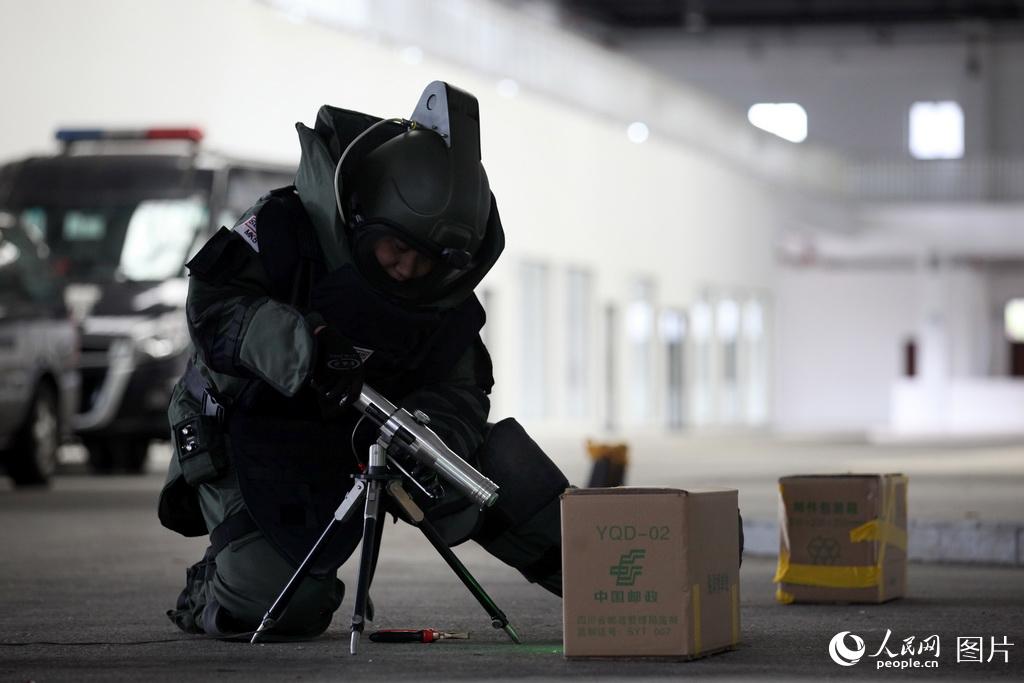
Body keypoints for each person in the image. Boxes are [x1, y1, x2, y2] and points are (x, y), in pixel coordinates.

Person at [157, 82, 568, 638]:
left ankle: (615, 583)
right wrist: (308, 350)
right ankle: (213, 586)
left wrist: (432, 433)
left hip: (370, 436)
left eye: (427, 260)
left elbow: (463, 389)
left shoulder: (444, 295)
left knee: (486, 467)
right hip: (251, 430)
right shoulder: (282, 227)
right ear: (362, 215)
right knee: (283, 605)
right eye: (397, 247)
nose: (408, 269)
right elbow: (215, 307)